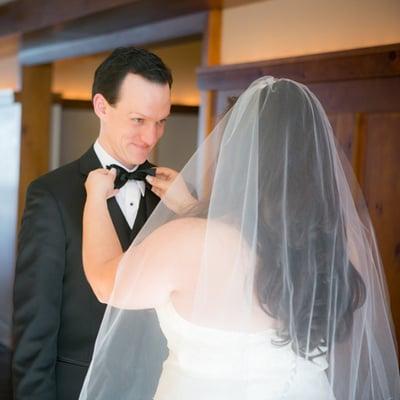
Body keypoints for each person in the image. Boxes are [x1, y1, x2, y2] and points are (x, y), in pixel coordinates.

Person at [80, 77, 400, 399]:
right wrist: (191, 207)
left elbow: (105, 282)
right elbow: (257, 246)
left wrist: (95, 198)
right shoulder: (335, 244)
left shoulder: (188, 241)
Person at [12, 47, 184, 400]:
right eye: (138, 119)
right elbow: (35, 328)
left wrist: (190, 211)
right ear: (101, 107)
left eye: (161, 120)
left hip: (163, 387)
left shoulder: (179, 197)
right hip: (80, 387)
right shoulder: (51, 195)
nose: (151, 137)